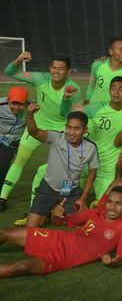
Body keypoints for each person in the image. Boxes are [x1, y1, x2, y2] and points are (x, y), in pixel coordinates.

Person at [0, 52, 82, 211]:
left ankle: (62, 201)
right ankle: (2, 197)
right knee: (20, 161)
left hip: (60, 129)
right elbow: (9, 72)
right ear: (50, 68)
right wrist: (17, 60)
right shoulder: (40, 78)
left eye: (61, 69)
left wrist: (65, 98)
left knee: (65, 167)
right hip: (37, 127)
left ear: (68, 71)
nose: (56, 72)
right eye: (54, 68)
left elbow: (65, 115)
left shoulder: (74, 88)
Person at [0, 185, 122, 277]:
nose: (112, 207)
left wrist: (113, 263)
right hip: (56, 238)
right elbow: (62, 222)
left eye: (118, 203)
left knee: (22, 267)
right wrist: (58, 214)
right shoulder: (94, 213)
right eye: (110, 202)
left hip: (63, 257)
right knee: (3, 233)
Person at [25, 106, 98, 228]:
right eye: (69, 127)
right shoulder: (57, 138)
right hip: (48, 189)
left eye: (77, 128)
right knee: (31, 228)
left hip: (71, 191)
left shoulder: (90, 147)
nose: (72, 132)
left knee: (79, 227)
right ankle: (51, 211)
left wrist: (83, 198)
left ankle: (55, 212)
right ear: (65, 127)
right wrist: (30, 115)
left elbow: (92, 172)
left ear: (85, 130)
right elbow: (34, 132)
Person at [85, 76, 122, 201]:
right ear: (109, 90)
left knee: (106, 203)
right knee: (67, 196)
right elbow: (70, 116)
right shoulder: (94, 108)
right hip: (86, 161)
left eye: (121, 89)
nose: (116, 92)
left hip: (109, 168)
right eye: (113, 89)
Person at [85, 36, 122, 108]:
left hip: (115, 112)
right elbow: (91, 87)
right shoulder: (98, 65)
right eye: (120, 50)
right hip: (94, 110)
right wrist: (86, 104)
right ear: (111, 51)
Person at [0, 87, 28, 207]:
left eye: (20, 104)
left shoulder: (32, 107)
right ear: (8, 100)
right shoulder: (1, 105)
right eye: (13, 103)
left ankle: (1, 195)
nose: (16, 107)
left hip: (13, 141)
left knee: (2, 165)